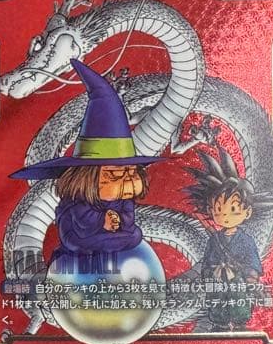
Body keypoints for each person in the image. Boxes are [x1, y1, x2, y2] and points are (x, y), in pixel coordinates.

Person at [10, 59, 165, 275]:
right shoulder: (75, 204)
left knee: (131, 237)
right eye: (115, 175)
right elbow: (75, 226)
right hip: (78, 252)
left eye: (132, 173)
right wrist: (102, 221)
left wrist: (119, 221)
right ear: (86, 178)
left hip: (126, 261)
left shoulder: (124, 201)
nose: (129, 181)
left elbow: (128, 220)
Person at [184, 145, 273, 331]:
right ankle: (220, 325)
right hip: (218, 292)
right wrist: (213, 272)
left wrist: (243, 277)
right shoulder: (214, 240)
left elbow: (253, 266)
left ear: (247, 212)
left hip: (239, 291)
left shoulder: (246, 240)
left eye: (232, 209)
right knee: (219, 321)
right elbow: (206, 264)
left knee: (240, 318)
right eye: (218, 209)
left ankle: (239, 327)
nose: (224, 215)